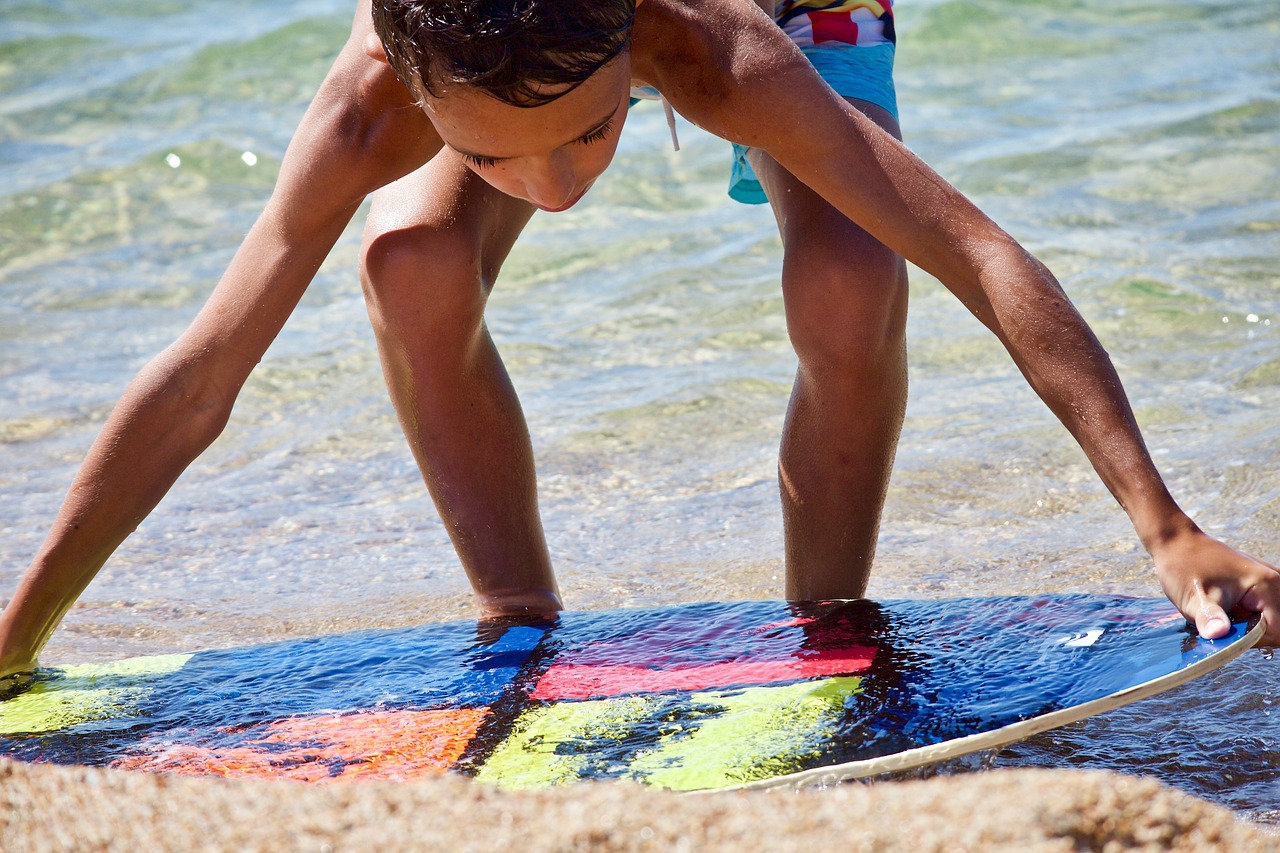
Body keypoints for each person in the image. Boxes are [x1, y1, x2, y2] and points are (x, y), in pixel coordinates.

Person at [1, 0, 1276, 687]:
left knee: (848, 272)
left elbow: (982, 255)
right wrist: (20, 628)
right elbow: (203, 377)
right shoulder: (377, 89)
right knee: (412, 258)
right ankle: (514, 619)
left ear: (638, 60)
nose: (552, 190)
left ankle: (826, 618)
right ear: (403, 80)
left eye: (594, 134)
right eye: (494, 150)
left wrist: (1162, 524)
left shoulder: (715, 50)